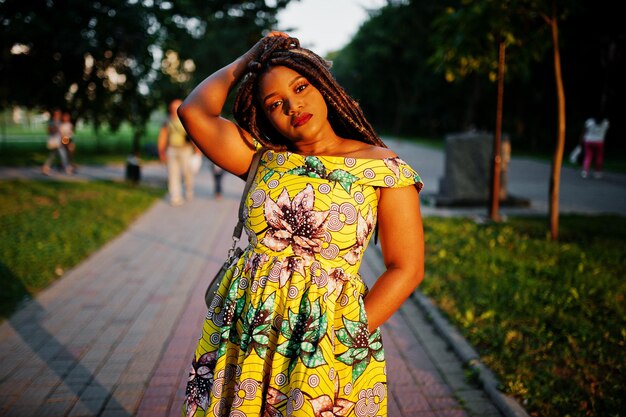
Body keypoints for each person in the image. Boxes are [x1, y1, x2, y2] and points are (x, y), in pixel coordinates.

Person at [177, 32, 424, 417]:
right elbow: (193, 113)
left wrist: (349, 334)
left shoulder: (384, 170)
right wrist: (252, 58)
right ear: (265, 115)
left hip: (328, 341)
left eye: (301, 87)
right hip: (248, 334)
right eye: (275, 103)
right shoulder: (262, 159)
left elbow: (406, 267)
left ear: (324, 86)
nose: (293, 105)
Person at [158, 99, 197, 206]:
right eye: (173, 107)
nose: (174, 109)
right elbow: (163, 136)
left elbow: (193, 135)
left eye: (177, 107)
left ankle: (189, 189)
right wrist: (161, 152)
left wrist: (197, 151)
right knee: (172, 174)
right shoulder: (167, 120)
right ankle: (175, 197)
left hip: (186, 149)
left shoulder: (186, 119)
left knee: (186, 172)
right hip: (172, 149)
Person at [42, 109, 72, 175]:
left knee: (53, 155)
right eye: (58, 114)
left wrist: (66, 142)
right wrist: (55, 129)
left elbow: (62, 134)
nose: (59, 115)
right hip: (54, 141)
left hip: (59, 141)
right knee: (62, 154)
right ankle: (67, 169)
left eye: (59, 114)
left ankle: (45, 168)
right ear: (55, 114)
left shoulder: (60, 122)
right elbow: (49, 131)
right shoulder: (52, 122)